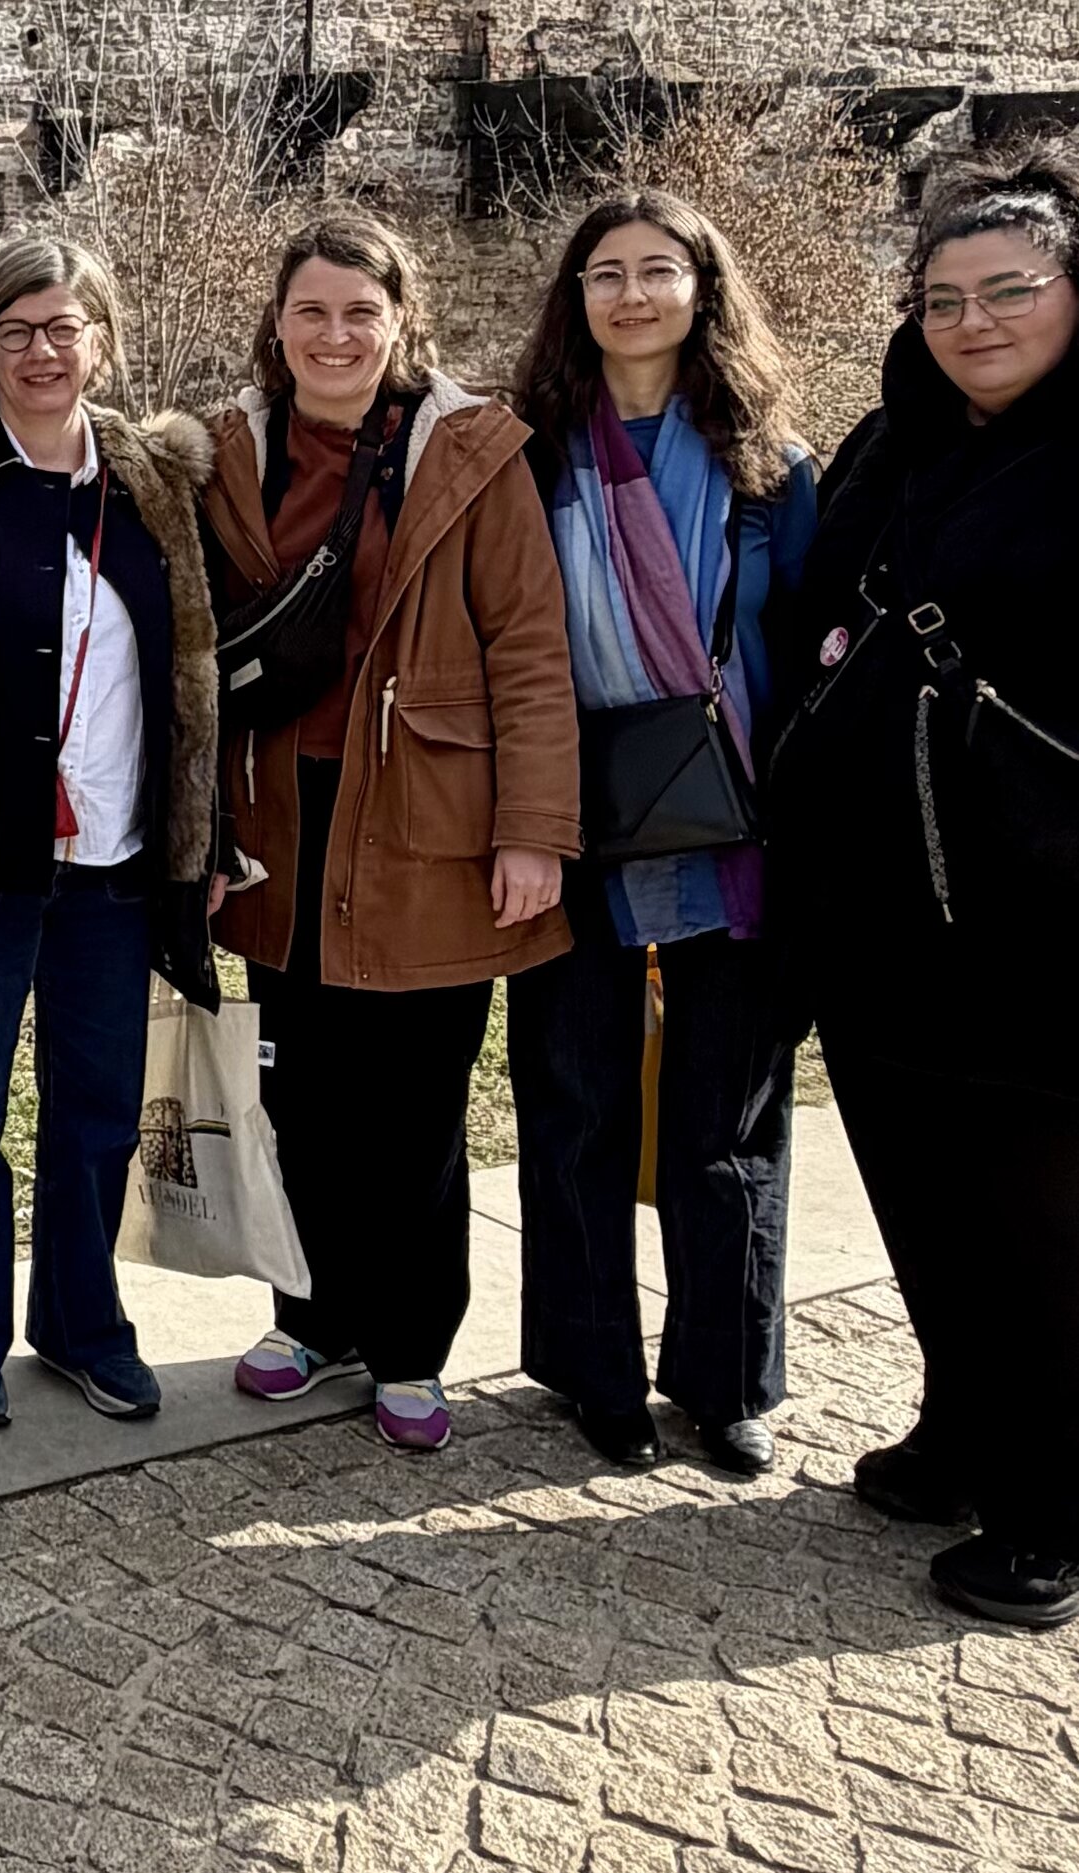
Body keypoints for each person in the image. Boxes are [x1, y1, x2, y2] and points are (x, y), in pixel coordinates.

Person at [765, 147, 1079, 1629]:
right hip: (879, 901)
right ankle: (964, 1427)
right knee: (925, 1198)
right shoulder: (892, 444)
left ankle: (1052, 1508)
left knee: (1043, 1220)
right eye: (943, 297)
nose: (973, 320)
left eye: (1009, 290)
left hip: (1039, 915)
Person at [209, 211, 580, 1453]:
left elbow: (529, 650)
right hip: (277, 817)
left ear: (399, 322)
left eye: (359, 313)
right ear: (278, 324)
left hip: (427, 817)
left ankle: (412, 1342)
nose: (334, 335)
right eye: (310, 311)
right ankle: (314, 1316)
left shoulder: (470, 454)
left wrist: (534, 830)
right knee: (296, 1092)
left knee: (413, 1101)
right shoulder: (229, 452)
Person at [0, 235, 225, 1433]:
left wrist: (197, 838)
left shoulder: (155, 486)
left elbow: (192, 673)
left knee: (100, 1111)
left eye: (64, 327)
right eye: (15, 330)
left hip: (115, 863)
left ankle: (81, 1322)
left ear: (102, 342)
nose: (41, 352)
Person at [505, 190, 820, 1478]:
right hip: (570, 809)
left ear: (704, 286)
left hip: (734, 820)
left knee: (724, 1115)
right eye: (602, 274)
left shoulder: (769, 460)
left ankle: (724, 1375)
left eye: (657, 270)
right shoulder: (528, 452)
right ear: (574, 300)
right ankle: (595, 1371)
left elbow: (805, 646)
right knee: (573, 1099)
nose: (630, 296)